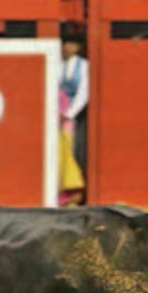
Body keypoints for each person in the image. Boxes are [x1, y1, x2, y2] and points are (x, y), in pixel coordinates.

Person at [59, 27, 89, 199]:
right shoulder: (57, 63)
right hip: (56, 109)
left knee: (71, 148)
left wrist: (70, 113)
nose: (68, 47)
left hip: (71, 113)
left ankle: (73, 189)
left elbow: (83, 92)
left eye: (73, 44)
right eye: (66, 43)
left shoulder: (84, 66)